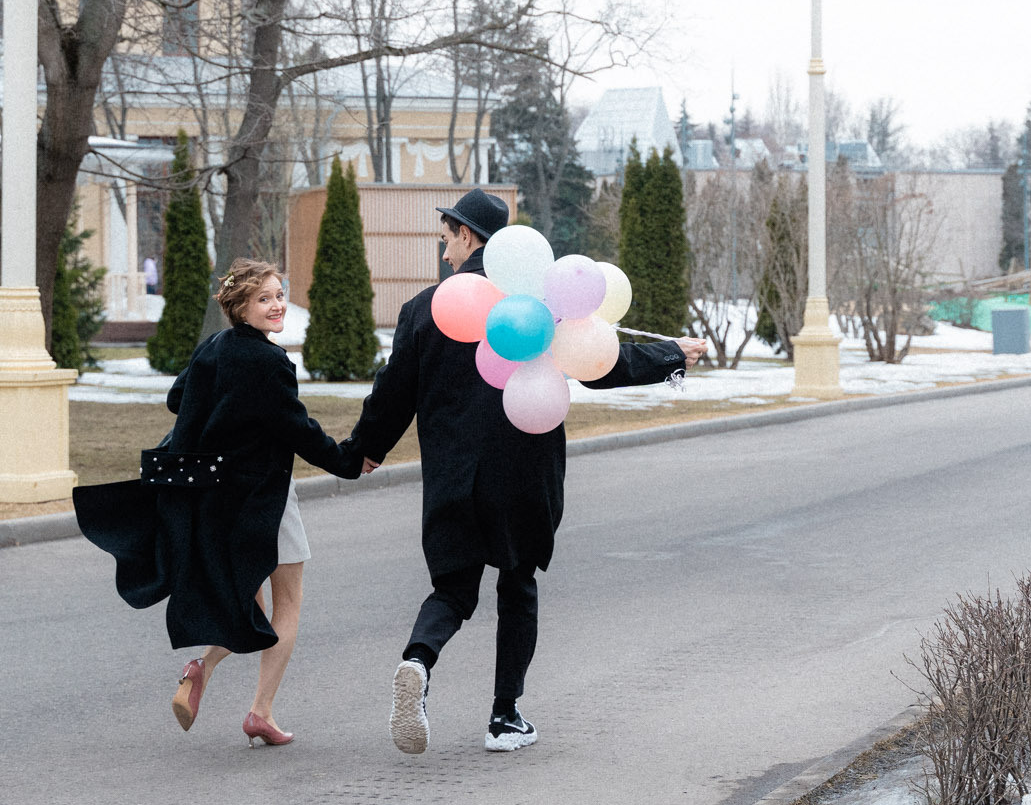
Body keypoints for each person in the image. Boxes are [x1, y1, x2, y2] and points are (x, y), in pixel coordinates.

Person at [348, 188, 706, 755]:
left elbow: (393, 394)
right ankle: (504, 717)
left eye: (447, 239)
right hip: (522, 470)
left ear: (469, 237)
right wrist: (670, 355)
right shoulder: (544, 305)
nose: (444, 254)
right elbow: (600, 363)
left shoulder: (424, 310)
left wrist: (362, 450)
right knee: (517, 584)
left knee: (453, 589)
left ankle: (417, 660)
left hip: (452, 477)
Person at [73, 259, 362, 747]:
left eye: (279, 294)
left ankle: (200, 669)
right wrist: (350, 462)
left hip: (215, 500)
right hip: (263, 497)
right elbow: (299, 431)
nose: (277, 305)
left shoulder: (214, 347)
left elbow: (176, 397)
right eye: (264, 298)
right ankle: (258, 710)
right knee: (287, 603)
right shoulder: (271, 363)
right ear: (241, 307)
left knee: (242, 601)